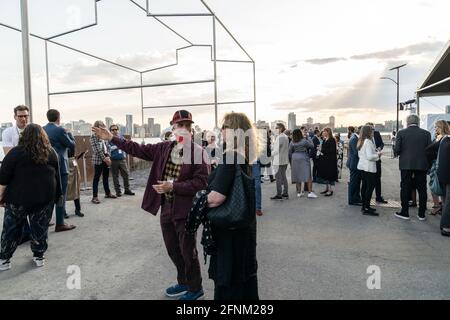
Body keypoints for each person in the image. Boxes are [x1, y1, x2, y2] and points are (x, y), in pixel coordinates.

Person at [92, 110, 209, 300]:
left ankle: (196, 289)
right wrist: (112, 138)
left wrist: (173, 186)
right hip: (167, 207)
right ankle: (184, 282)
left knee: (188, 251)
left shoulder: (198, 152)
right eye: (180, 126)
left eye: (188, 126)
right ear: (173, 128)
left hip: (185, 210)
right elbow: (136, 148)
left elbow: (202, 182)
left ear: (192, 129)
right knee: (173, 248)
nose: (184, 129)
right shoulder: (164, 148)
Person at [206, 112, 259, 300]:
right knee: (243, 284)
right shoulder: (246, 156)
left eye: (225, 127)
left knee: (229, 287)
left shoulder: (230, 156)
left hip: (229, 233)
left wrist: (195, 200)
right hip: (243, 230)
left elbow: (215, 198)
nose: (221, 130)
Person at [0, 124, 62, 271]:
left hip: (18, 200)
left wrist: (1, 196)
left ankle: (4, 260)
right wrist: (58, 195)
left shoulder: (15, 153)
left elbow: (3, 178)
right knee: (40, 228)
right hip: (44, 199)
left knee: (11, 230)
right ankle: (39, 256)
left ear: (24, 136)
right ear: (43, 136)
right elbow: (57, 176)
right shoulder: (51, 152)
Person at [1, 105, 32, 243]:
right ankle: (22, 233)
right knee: (15, 205)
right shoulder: (8, 132)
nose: (23, 118)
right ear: (15, 117)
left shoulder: (34, 131)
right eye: (20, 116)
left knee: (31, 204)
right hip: (15, 174)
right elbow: (8, 155)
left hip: (32, 173)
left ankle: (29, 233)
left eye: (26, 115)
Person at [43, 109, 76, 232]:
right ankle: (60, 223)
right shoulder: (60, 130)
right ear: (58, 118)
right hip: (61, 166)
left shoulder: (42, 129)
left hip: (46, 167)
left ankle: (45, 221)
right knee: (61, 194)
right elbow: (72, 145)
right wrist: (70, 134)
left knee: (49, 194)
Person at [394, 114, 432, 221]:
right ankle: (421, 214)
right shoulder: (426, 133)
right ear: (418, 122)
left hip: (406, 164)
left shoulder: (401, 133)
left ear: (407, 122)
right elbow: (429, 150)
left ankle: (405, 212)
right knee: (422, 188)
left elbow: (397, 150)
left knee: (405, 187)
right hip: (421, 165)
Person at [426, 120, 450, 215]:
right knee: (438, 187)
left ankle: (438, 206)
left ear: (441, 127)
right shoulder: (441, 138)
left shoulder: (442, 138)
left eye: (436, 127)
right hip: (438, 165)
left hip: (438, 166)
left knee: (436, 186)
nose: (435, 128)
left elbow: (429, 149)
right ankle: (440, 206)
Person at [357, 126, 382, 216]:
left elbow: (362, 155)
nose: (373, 132)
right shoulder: (368, 141)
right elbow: (370, 157)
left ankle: (365, 206)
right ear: (368, 132)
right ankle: (366, 207)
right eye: (372, 130)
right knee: (369, 188)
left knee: (364, 187)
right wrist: (378, 154)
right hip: (368, 168)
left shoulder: (361, 140)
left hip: (363, 167)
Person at [90, 121, 116, 204]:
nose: (103, 127)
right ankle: (94, 197)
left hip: (106, 158)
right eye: (101, 126)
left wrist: (108, 156)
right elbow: (97, 149)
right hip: (98, 160)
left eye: (103, 126)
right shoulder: (93, 137)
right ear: (97, 127)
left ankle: (107, 193)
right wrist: (105, 158)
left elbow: (108, 146)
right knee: (96, 178)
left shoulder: (104, 136)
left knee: (106, 177)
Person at [289, 129, 317, 199]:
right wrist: (309, 139)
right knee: (307, 175)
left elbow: (289, 152)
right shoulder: (304, 141)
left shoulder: (292, 142)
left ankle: (299, 192)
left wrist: (290, 161)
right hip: (303, 157)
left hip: (294, 158)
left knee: (297, 175)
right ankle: (310, 192)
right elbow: (312, 146)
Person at [109, 124, 135, 197]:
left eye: (116, 129)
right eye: (113, 130)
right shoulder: (109, 139)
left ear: (118, 130)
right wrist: (119, 145)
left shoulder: (121, 138)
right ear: (110, 131)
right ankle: (118, 192)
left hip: (122, 159)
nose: (115, 131)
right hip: (113, 160)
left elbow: (125, 145)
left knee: (126, 174)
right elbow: (109, 148)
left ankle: (127, 190)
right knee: (115, 176)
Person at [367, 123, 387, 204]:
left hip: (377, 160)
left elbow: (382, 143)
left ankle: (378, 197)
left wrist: (379, 148)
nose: (372, 130)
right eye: (370, 129)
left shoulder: (377, 134)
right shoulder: (365, 137)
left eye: (373, 128)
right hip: (370, 161)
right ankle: (367, 199)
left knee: (378, 179)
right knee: (369, 181)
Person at [271, 123, 290, 201]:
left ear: (281, 128)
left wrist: (269, 154)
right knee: (283, 177)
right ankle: (285, 193)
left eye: (277, 128)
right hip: (284, 160)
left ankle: (279, 194)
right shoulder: (285, 137)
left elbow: (276, 150)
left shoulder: (280, 137)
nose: (275, 129)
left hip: (279, 160)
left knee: (278, 178)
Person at [316, 128, 337, 197]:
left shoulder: (332, 140)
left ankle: (330, 190)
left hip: (330, 160)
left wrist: (321, 149)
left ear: (328, 132)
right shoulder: (325, 139)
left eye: (324, 131)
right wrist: (321, 149)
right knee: (326, 175)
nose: (323, 132)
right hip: (325, 160)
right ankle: (327, 188)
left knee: (329, 175)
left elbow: (331, 150)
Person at [66, 142, 84, 218]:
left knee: (76, 189)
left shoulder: (71, 142)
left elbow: (73, 157)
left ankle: (78, 210)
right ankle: (63, 212)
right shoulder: (63, 144)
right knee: (65, 190)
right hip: (66, 164)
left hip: (73, 162)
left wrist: (79, 156)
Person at [347, 126, 362, 206]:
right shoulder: (354, 139)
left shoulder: (355, 138)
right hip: (354, 164)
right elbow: (357, 153)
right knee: (354, 182)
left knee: (357, 182)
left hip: (356, 164)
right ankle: (352, 200)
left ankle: (356, 198)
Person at [438, 133, 450, 237]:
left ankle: (444, 225)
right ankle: (446, 227)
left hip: (443, 175)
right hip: (447, 176)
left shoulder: (444, 140)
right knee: (448, 202)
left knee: (446, 201)